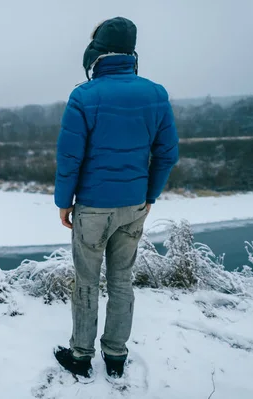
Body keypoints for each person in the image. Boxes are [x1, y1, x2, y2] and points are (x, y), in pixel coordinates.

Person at [53, 17, 179, 379]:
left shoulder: (84, 96)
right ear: (130, 52)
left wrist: (65, 202)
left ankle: (80, 356)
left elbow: (69, 158)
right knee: (122, 280)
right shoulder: (156, 93)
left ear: (98, 52)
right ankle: (115, 356)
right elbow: (167, 154)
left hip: (93, 206)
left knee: (87, 281)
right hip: (134, 206)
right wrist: (149, 195)